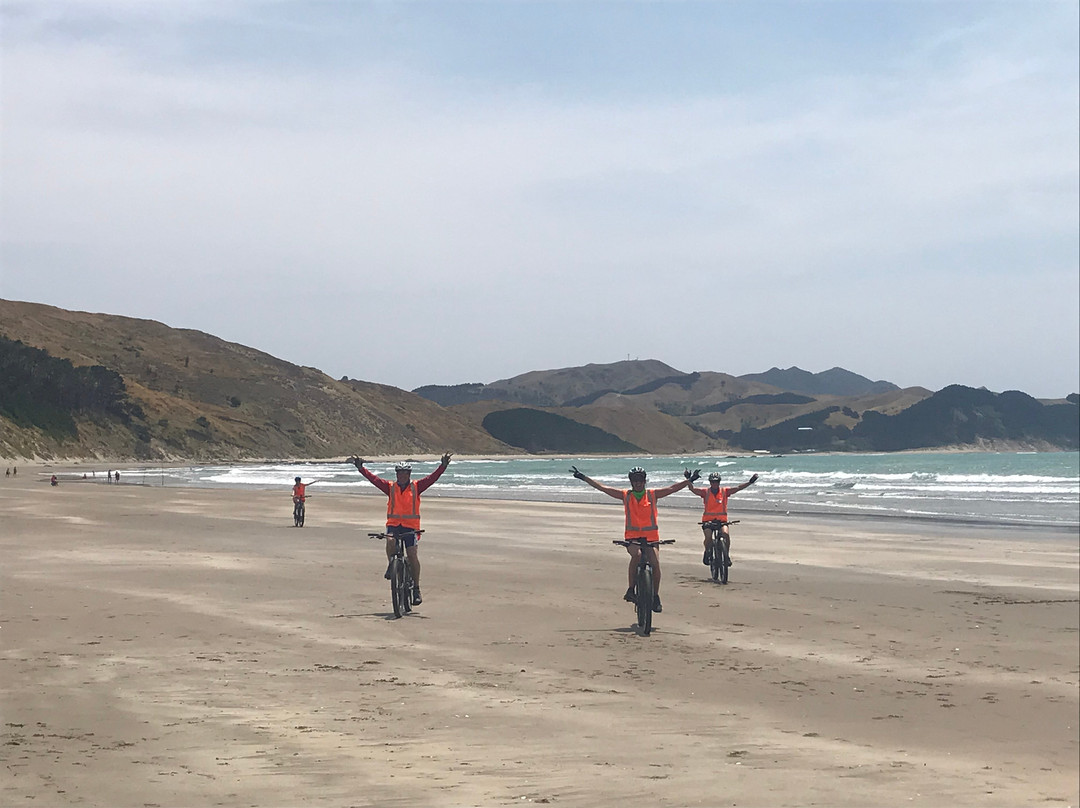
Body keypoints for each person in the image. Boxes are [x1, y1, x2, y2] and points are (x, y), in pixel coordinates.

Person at [569, 465, 698, 614]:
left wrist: (688, 481)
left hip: (651, 538)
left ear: (644, 481)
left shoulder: (652, 495)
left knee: (655, 564)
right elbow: (603, 488)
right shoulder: (626, 495)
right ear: (631, 482)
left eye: (641, 480)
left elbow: (671, 489)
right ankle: (631, 590)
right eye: (635, 480)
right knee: (636, 555)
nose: (638, 483)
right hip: (632, 538)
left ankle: (655, 597)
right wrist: (583, 477)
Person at [348, 453, 453, 606]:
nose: (402, 476)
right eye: (399, 473)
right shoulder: (390, 487)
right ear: (396, 474)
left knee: (412, 555)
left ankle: (416, 588)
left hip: (411, 527)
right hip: (394, 524)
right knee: (390, 540)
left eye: (405, 473)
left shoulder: (417, 486)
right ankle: (392, 565)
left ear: (409, 475)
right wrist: (361, 468)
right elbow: (374, 480)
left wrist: (443, 466)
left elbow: (432, 478)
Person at [688, 471, 759, 566]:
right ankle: (707, 551)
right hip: (707, 521)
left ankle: (726, 556)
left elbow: (738, 488)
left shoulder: (724, 491)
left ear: (719, 482)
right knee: (708, 537)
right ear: (710, 483)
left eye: (716, 482)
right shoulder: (705, 492)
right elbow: (692, 490)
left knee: (725, 534)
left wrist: (750, 482)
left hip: (722, 521)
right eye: (712, 482)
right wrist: (689, 480)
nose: (714, 484)